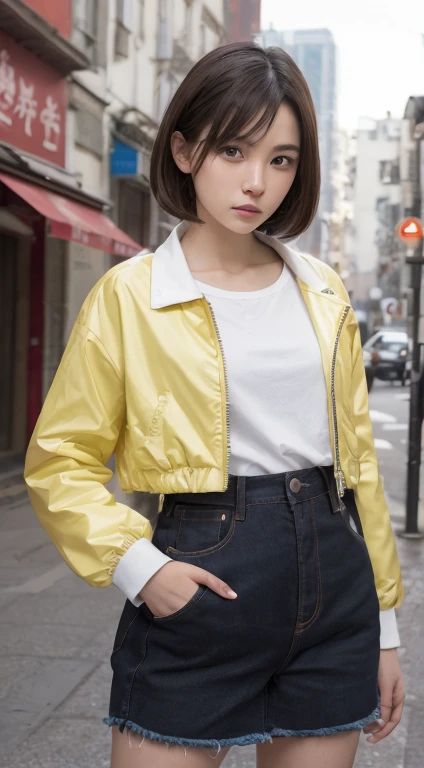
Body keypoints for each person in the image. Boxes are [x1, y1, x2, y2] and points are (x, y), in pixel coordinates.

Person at [24, 42, 404, 768]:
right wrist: (142, 569)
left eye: (282, 159)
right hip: (200, 578)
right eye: (234, 149)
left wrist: (385, 627)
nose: (257, 182)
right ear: (186, 148)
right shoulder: (131, 296)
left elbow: (359, 470)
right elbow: (59, 462)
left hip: (334, 591)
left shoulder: (324, 291)